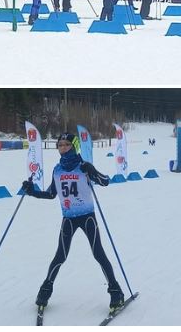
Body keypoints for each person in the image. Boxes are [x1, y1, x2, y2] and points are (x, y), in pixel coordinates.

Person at [21, 133, 125, 311]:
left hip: (87, 218)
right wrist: (33, 191)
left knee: (99, 254)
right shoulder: (57, 170)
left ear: (73, 146)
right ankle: (44, 292)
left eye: (66, 144)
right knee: (60, 257)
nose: (63, 148)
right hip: (68, 219)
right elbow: (51, 194)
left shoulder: (83, 166)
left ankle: (116, 293)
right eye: (60, 145)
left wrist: (92, 170)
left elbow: (105, 181)